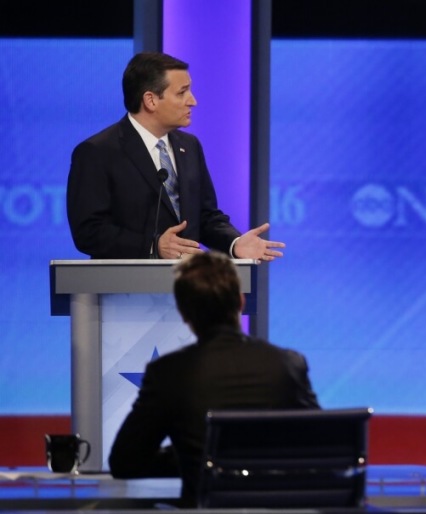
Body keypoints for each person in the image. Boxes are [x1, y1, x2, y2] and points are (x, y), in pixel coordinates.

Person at [108, 251, 320, 507]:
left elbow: (125, 462)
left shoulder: (168, 372)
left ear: (184, 313)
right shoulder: (287, 365)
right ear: (240, 302)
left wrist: (191, 457)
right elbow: (319, 449)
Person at [67, 51, 284, 261]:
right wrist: (153, 245)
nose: (193, 101)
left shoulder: (189, 146)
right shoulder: (98, 152)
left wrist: (234, 243)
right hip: (125, 291)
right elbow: (88, 231)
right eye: (182, 92)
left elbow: (205, 216)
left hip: (186, 287)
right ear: (150, 100)